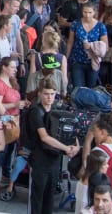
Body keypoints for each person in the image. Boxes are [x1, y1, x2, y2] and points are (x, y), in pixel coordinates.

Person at [28, 78, 81, 214]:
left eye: (52, 94)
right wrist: (66, 148)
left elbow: (71, 129)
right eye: (46, 94)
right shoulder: (35, 111)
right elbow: (44, 137)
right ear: (40, 93)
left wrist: (76, 146)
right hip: (40, 159)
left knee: (50, 199)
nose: (49, 97)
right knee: (38, 198)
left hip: (54, 159)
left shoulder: (58, 110)